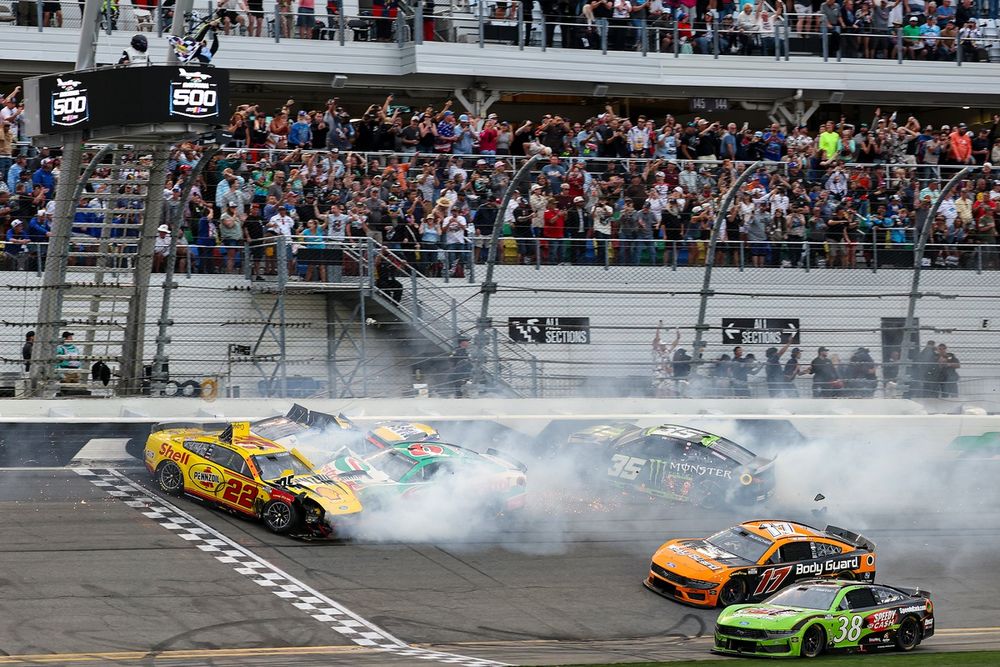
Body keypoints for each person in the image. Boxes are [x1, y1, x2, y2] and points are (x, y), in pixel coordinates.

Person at [652, 322, 680, 397]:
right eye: (661, 345)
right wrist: (658, 327)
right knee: (659, 389)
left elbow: (676, 342)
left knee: (670, 389)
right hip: (658, 372)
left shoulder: (667, 352)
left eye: (664, 345)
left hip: (667, 373)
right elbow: (656, 339)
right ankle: (657, 403)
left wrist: (677, 331)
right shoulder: (656, 351)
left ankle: (670, 402)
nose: (663, 346)